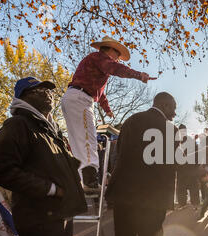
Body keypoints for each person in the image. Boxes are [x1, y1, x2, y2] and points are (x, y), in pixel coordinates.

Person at [0, 77, 87, 236]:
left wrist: (77, 170)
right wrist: (50, 189)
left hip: (58, 215)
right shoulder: (17, 125)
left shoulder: (48, 128)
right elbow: (1, 170)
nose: (49, 93)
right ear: (26, 95)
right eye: (41, 90)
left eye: (50, 90)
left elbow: (50, 165)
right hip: (41, 219)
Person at [106, 92, 183, 236]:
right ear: (165, 105)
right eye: (173, 107)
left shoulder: (131, 121)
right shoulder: (169, 129)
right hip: (150, 200)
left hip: (123, 196)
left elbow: (117, 156)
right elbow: (173, 164)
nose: (175, 113)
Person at [61, 36, 155, 192]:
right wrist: (139, 75)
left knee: (77, 141)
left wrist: (107, 109)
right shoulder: (100, 58)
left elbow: (100, 92)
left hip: (73, 97)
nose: (118, 59)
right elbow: (116, 69)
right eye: (118, 55)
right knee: (88, 138)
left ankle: (80, 180)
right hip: (80, 99)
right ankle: (90, 180)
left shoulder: (93, 64)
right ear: (111, 50)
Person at [176, 124, 200, 209]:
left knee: (192, 186)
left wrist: (196, 166)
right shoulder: (176, 141)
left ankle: (194, 203)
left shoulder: (189, 141)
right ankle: (184, 203)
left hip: (189, 167)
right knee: (182, 186)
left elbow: (197, 154)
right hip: (182, 168)